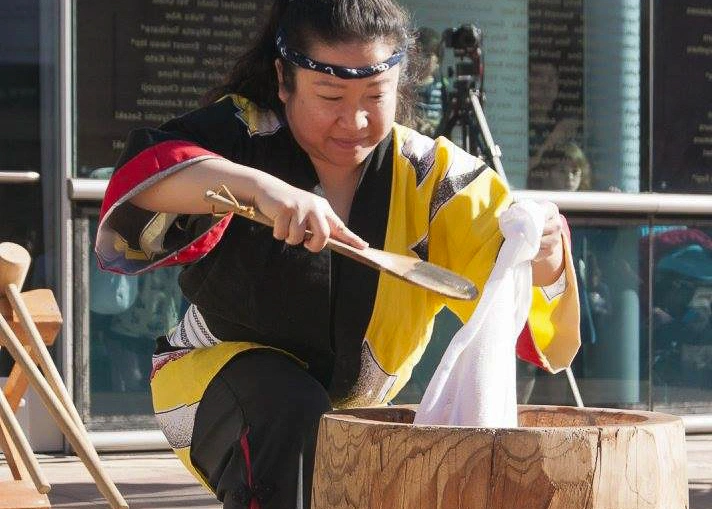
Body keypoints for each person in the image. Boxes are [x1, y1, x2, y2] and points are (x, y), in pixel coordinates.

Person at [95, 1, 580, 507]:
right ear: (284, 79)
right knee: (289, 410)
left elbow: (526, 320)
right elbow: (143, 183)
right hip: (211, 382)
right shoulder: (246, 133)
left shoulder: (433, 178)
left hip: (355, 412)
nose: (354, 119)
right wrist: (258, 189)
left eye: (375, 95)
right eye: (330, 95)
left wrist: (541, 255)